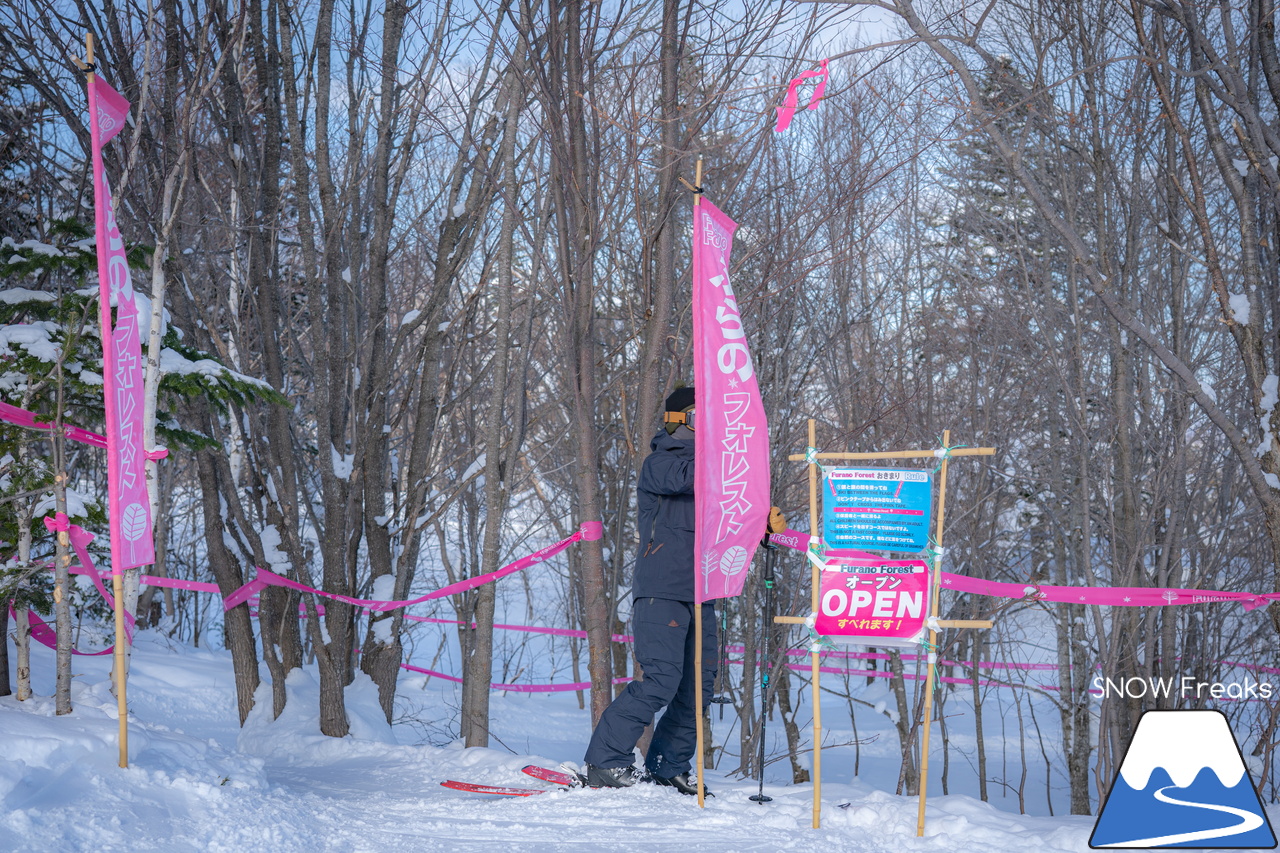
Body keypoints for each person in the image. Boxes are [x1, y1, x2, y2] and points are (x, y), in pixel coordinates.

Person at [583, 386, 785, 795]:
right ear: (677, 422)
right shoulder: (660, 464)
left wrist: (760, 527)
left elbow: (730, 518)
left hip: (704, 591)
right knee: (661, 680)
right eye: (698, 419)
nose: (706, 429)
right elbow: (691, 480)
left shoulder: (719, 476)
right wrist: (733, 463)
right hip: (662, 590)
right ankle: (606, 761)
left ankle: (668, 765)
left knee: (699, 686)